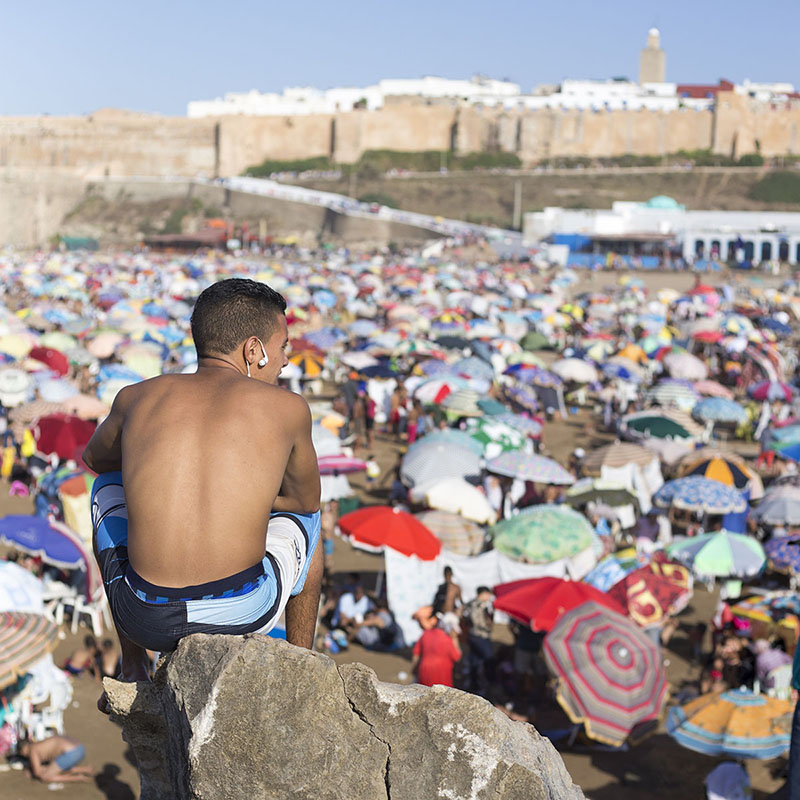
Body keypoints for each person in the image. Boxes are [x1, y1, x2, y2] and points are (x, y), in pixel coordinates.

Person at [82, 279, 322, 712]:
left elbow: (96, 461)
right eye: (283, 346)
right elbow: (305, 502)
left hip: (144, 614)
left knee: (105, 489)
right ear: (254, 350)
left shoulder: (137, 396)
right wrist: (249, 500)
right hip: (242, 611)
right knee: (311, 523)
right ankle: (300, 665)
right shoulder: (287, 408)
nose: (286, 361)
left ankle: (134, 665)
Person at [18, 735, 94, 783]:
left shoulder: (32, 750)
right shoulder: (38, 743)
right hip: (80, 748)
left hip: (71, 754)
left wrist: (30, 771)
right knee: (54, 766)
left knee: (44, 776)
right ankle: (85, 769)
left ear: (22, 751)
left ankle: (78, 778)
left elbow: (37, 773)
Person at [461, 586, 495, 695]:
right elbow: (478, 621)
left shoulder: (470, 603)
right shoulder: (481, 605)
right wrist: (487, 625)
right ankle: (488, 683)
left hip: (471, 635)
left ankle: (474, 683)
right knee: (488, 659)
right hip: (480, 635)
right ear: (483, 594)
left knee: (474, 659)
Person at [412, 615, 461, 687]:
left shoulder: (426, 634)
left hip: (424, 672)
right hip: (442, 674)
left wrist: (415, 671)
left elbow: (416, 654)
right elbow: (457, 657)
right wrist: (455, 639)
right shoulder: (448, 639)